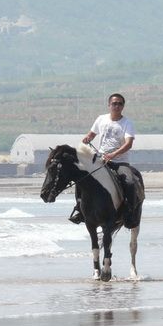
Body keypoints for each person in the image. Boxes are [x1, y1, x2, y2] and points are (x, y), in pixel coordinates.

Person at [69, 93, 138, 228]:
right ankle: (79, 209)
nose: (116, 106)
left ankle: (129, 213)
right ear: (109, 105)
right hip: (100, 159)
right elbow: (91, 134)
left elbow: (128, 144)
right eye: (114, 103)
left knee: (129, 182)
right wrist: (87, 138)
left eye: (119, 104)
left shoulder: (127, 123)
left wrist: (113, 155)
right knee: (82, 178)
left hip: (119, 162)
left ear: (123, 106)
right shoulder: (101, 119)